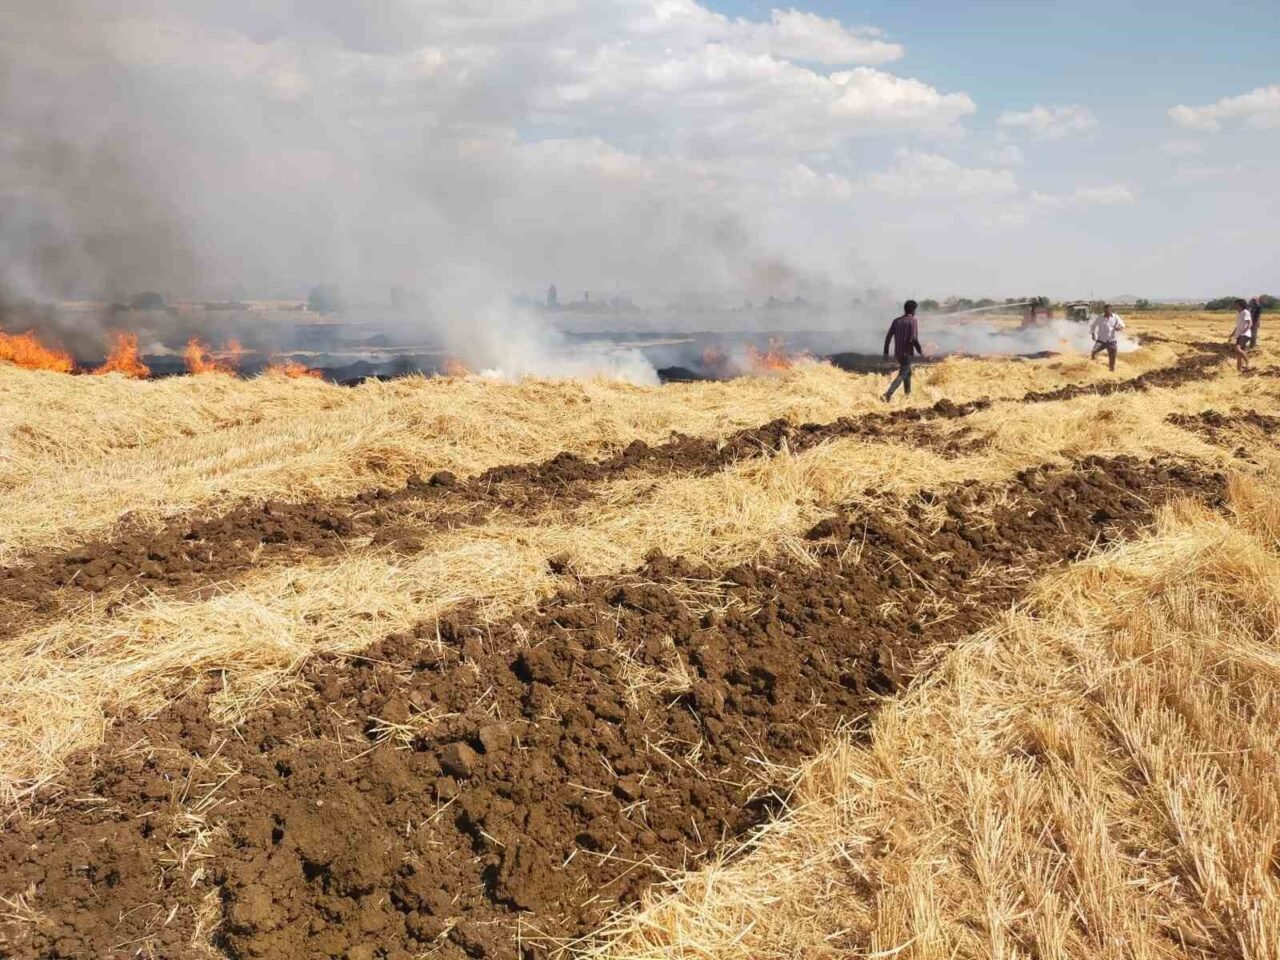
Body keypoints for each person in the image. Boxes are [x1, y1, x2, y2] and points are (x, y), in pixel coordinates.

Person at [883, 299, 923, 401]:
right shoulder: (913, 321)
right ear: (913, 310)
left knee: (908, 372)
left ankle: (907, 395)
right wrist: (920, 350)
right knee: (903, 374)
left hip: (898, 353)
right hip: (907, 352)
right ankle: (888, 394)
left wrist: (886, 351)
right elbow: (913, 338)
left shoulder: (896, 321)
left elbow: (888, 336)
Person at [1089, 304, 1125, 372]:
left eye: (1108, 312)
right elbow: (1093, 326)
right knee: (1094, 352)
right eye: (1105, 312)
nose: (1106, 313)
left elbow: (1123, 325)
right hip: (1101, 341)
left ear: (1111, 310)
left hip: (1111, 341)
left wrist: (1119, 328)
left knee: (1112, 357)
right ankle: (1093, 369)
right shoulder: (1100, 317)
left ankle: (1111, 370)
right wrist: (1093, 334)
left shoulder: (1116, 317)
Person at [1229, 299, 1252, 373]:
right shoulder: (1238, 313)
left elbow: (1250, 323)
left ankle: (1248, 362)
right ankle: (1239, 371)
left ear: (1241, 305)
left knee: (1238, 349)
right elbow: (1238, 325)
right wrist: (1232, 334)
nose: (1235, 306)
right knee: (1239, 355)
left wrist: (1245, 330)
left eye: (1236, 304)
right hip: (1239, 334)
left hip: (1245, 334)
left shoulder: (1245, 312)